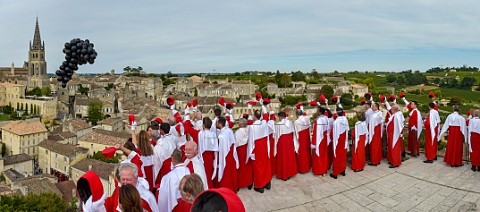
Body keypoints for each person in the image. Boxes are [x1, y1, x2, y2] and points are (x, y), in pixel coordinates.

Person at [247, 109, 272, 193]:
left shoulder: (252, 127)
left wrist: (250, 152)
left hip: (257, 148)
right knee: (265, 165)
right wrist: (262, 104)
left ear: (254, 117)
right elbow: (266, 115)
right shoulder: (264, 123)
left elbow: (250, 140)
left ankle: (259, 186)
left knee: (258, 167)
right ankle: (267, 183)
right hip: (264, 147)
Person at [216, 116, 239, 193]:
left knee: (226, 173)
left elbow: (222, 150)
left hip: (225, 156)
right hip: (231, 154)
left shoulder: (221, 136)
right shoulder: (229, 131)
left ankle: (227, 189)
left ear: (219, 124)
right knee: (231, 172)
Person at [274, 111, 298, 180]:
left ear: (280, 117)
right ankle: (290, 173)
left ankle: (284, 174)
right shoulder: (290, 123)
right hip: (289, 142)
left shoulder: (278, 124)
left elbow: (276, 135)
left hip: (282, 142)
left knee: (283, 158)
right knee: (289, 157)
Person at [131, 123, 155, 190]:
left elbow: (134, 143)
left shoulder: (138, 151)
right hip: (151, 172)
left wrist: (133, 129)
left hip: (143, 173)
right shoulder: (152, 148)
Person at [330, 109, 349, 179]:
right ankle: (342, 170)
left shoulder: (336, 122)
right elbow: (347, 129)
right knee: (343, 155)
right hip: (343, 139)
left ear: (337, 114)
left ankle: (335, 173)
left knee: (337, 156)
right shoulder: (345, 119)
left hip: (337, 141)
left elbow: (334, 134)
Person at [235, 118, 253, 190]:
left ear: (240, 124)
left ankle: (240, 183)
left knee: (240, 167)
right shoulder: (248, 130)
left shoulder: (238, 132)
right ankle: (249, 182)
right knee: (247, 166)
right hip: (247, 148)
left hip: (240, 149)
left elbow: (236, 141)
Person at [312, 107, 329, 176]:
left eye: (317, 111)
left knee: (318, 155)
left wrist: (313, 142)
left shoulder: (318, 121)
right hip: (324, 138)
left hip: (319, 139)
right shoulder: (326, 118)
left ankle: (319, 170)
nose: (317, 112)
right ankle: (324, 170)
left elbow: (316, 132)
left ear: (320, 112)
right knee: (324, 154)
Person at [294, 109, 312, 174]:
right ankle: (309, 165)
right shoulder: (307, 118)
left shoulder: (296, 122)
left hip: (301, 137)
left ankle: (303, 168)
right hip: (307, 136)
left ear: (296, 114)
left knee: (301, 152)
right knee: (307, 150)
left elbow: (296, 132)